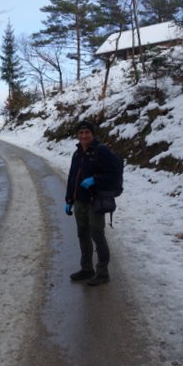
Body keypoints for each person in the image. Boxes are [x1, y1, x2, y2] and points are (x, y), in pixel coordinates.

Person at [65, 120, 120, 286]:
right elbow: (72, 178)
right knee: (82, 235)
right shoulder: (77, 153)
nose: (84, 136)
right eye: (81, 133)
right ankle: (87, 268)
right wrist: (69, 199)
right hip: (80, 202)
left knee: (97, 235)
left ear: (92, 134)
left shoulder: (101, 151)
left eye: (87, 132)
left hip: (95, 201)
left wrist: (94, 180)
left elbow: (114, 174)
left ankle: (102, 273)